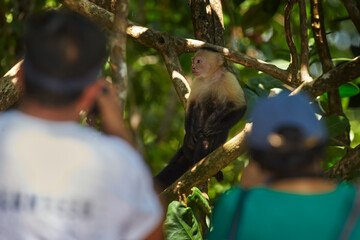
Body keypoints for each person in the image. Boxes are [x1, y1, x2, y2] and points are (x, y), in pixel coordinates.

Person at [0, 10, 164, 239]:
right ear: (91, 94)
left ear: (20, 78)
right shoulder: (117, 163)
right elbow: (151, 229)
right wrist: (117, 130)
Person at [207, 93, 360, 240]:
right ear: (320, 148)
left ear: (256, 156)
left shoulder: (236, 206)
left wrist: (245, 194)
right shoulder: (353, 205)